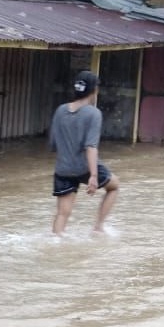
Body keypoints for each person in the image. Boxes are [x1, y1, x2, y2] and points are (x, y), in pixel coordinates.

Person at [50, 70, 120, 235]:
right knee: (114, 186)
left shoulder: (60, 110)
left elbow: (53, 144)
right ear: (95, 90)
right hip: (85, 167)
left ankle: (55, 242)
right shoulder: (94, 113)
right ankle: (98, 227)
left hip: (63, 168)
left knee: (62, 214)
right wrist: (93, 176)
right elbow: (90, 146)